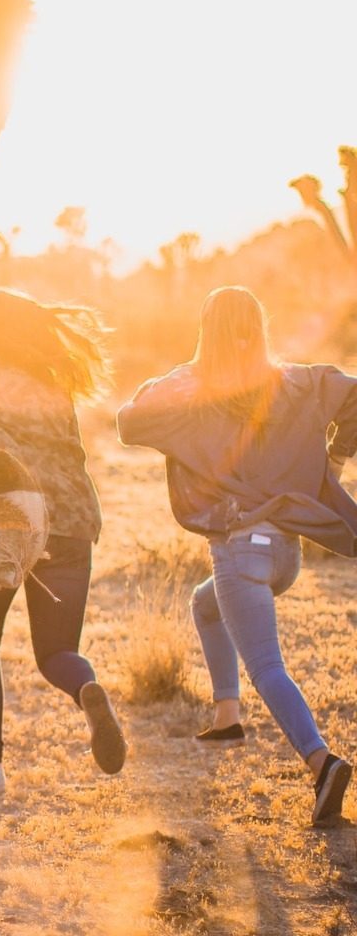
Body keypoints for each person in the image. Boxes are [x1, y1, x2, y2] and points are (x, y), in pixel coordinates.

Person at [118, 285, 355, 826]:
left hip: (241, 552)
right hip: (284, 555)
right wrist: (334, 463)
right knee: (206, 607)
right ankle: (227, 714)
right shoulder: (296, 379)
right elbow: (355, 394)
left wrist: (172, 376)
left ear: (207, 332)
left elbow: (129, 421)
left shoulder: (192, 388)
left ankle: (322, 763)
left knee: (268, 666)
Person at [0, 289, 127, 793]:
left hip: (4, 525)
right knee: (57, 651)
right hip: (71, 521)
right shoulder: (53, 383)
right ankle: (85, 687)